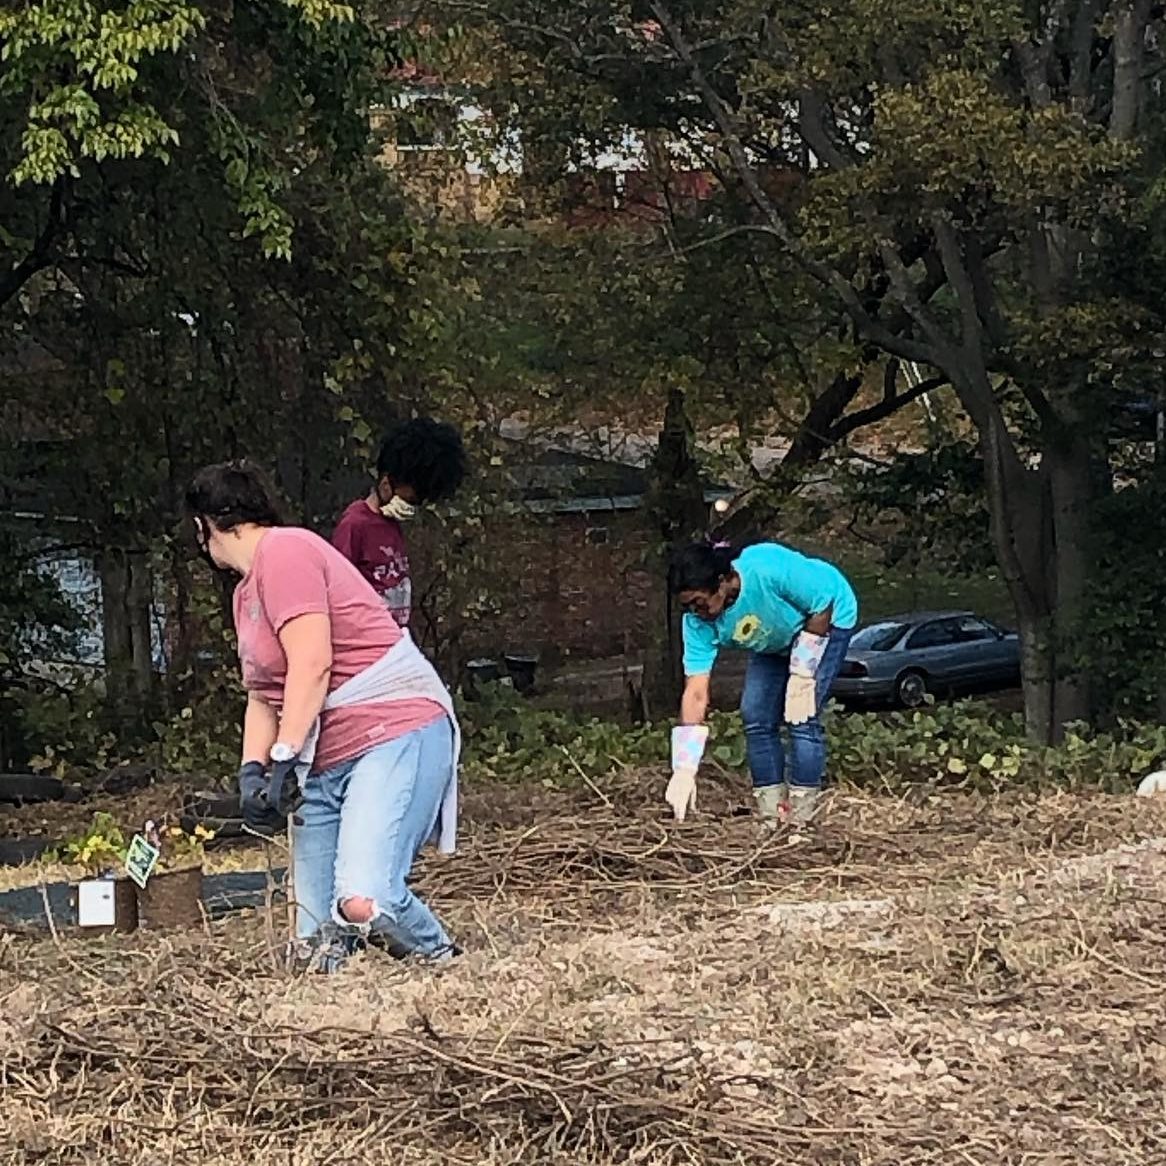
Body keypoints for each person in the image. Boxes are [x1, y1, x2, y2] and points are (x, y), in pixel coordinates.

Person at [186, 460, 461, 972]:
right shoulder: (246, 593)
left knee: (363, 901)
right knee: (316, 947)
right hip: (325, 757)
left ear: (205, 526)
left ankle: (441, 957)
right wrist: (253, 771)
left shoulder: (285, 551)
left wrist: (285, 755)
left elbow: (312, 663)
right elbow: (264, 695)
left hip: (393, 729)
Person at [667, 539, 858, 827]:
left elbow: (823, 602)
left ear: (722, 582)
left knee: (800, 716)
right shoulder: (697, 624)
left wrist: (803, 674)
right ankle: (772, 815)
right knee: (755, 715)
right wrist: (684, 767)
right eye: (688, 607)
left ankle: (802, 820)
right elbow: (695, 692)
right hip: (776, 641)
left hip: (826, 619)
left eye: (699, 603)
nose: (697, 612)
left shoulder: (767, 568)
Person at [331, 417, 467, 627]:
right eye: (410, 500)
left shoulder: (391, 524)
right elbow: (336, 590)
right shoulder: (355, 524)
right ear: (387, 482)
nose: (411, 507)